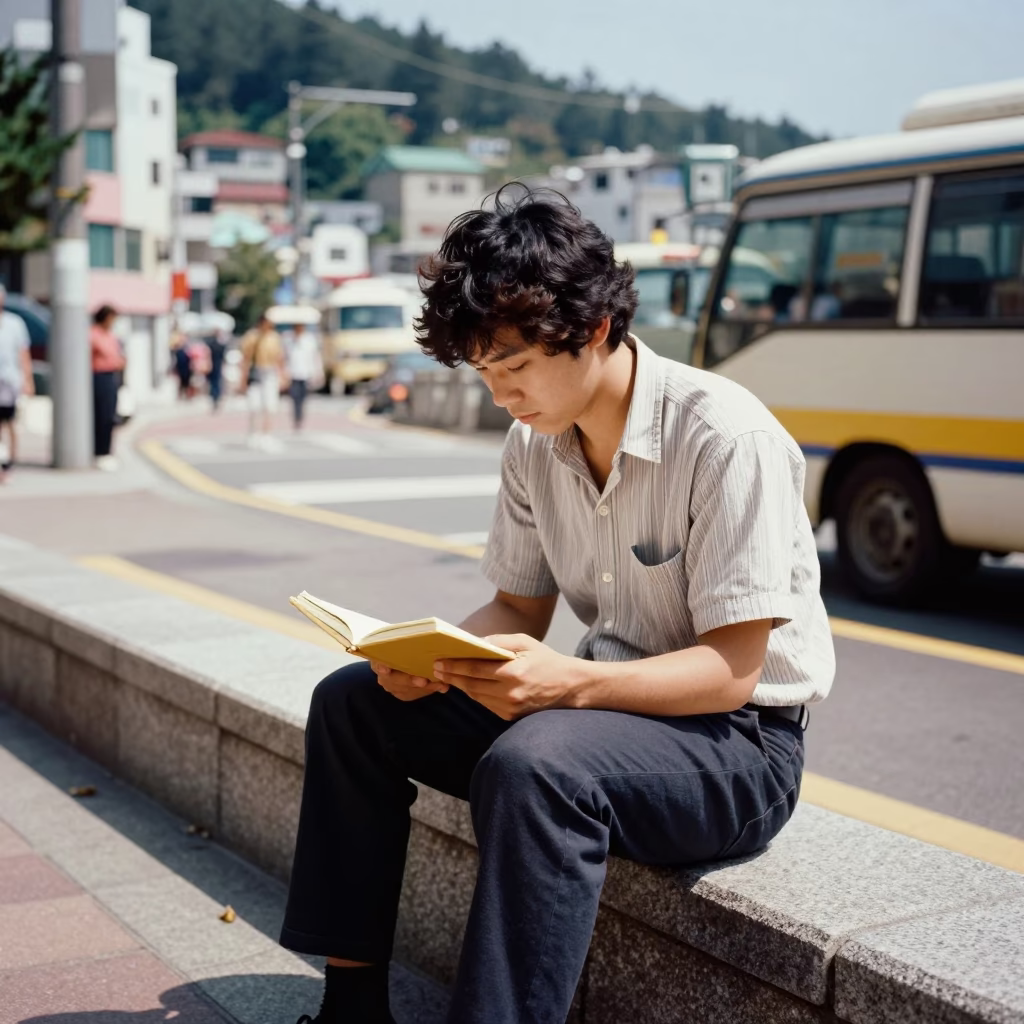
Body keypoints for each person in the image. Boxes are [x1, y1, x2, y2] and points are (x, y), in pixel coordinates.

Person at [280, 187, 836, 1024]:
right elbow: (516, 607)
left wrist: (566, 685)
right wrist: (428, 661)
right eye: (484, 371)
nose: (501, 394)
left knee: (535, 763)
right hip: (600, 715)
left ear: (595, 328)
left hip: (738, 749)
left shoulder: (725, 438)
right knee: (352, 705)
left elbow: (733, 671)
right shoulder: (534, 444)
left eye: (514, 365)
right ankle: (351, 1009)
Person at [0, 284, 35, 483]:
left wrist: (28, 381)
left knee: (10, 423)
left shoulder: (14, 323)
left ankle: (10, 462)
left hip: (9, 382)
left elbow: (23, 354)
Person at [239, 314, 286, 448]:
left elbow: (279, 358)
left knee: (270, 406)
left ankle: (267, 434)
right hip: (255, 373)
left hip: (270, 372)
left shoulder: (274, 337)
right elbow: (245, 359)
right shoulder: (252, 336)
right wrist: (242, 379)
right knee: (254, 405)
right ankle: (253, 433)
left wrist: (282, 375)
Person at [90, 304, 125, 471]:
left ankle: (107, 451)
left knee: (110, 416)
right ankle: (99, 451)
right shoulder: (92, 334)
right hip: (98, 377)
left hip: (112, 376)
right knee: (100, 415)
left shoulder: (111, 336)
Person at [283, 322, 320, 431]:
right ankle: (296, 418)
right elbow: (284, 357)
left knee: (303, 398)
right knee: (295, 397)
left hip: (305, 373)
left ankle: (300, 417)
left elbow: (314, 357)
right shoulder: (288, 339)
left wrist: (317, 372)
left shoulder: (309, 339)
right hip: (293, 374)